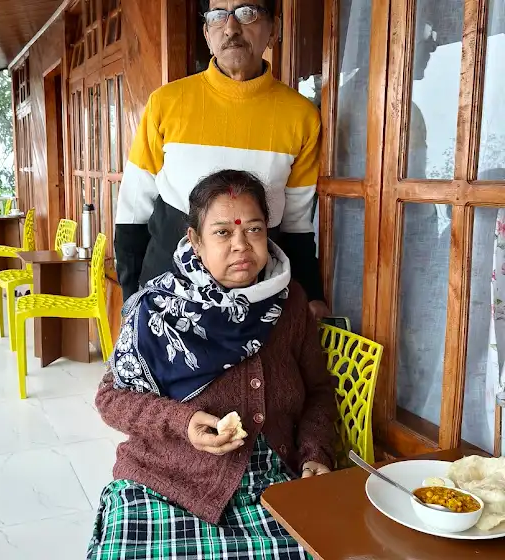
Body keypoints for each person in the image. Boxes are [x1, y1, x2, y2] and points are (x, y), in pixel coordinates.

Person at [89, 170, 335, 559]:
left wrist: (315, 453)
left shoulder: (290, 303)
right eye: (222, 232)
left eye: (254, 229)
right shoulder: (157, 308)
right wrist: (182, 422)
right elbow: (111, 400)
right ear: (196, 240)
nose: (241, 245)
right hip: (166, 480)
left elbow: (319, 391)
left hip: (272, 482)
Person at [115, 0, 330, 320]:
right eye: (218, 16)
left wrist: (312, 295)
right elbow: (132, 213)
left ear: (274, 29)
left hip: (257, 303)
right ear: (206, 33)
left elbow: (297, 224)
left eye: (247, 12)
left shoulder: (301, 117)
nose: (231, 28)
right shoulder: (165, 104)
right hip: (167, 299)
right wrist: (131, 300)